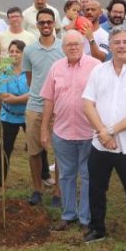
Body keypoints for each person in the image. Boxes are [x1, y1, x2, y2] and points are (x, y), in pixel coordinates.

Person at [81, 27, 126, 251]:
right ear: (110, 45)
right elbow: (87, 104)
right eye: (117, 42)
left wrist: (110, 131)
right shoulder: (98, 71)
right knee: (96, 188)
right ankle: (97, 228)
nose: (121, 46)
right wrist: (103, 133)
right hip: (100, 145)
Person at [41, 30, 100, 228]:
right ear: (63, 47)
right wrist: (44, 129)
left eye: (76, 43)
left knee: (87, 175)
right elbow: (48, 99)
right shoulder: (55, 68)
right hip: (62, 132)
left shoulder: (96, 67)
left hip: (89, 132)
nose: (73, 47)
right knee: (65, 175)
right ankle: (68, 214)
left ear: (82, 45)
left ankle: (85, 217)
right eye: (69, 44)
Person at [23, 10, 63, 206]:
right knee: (34, 151)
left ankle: (58, 192)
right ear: (37, 25)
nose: (46, 26)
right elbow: (30, 79)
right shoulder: (29, 50)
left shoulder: (64, 47)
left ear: (54, 24)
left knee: (61, 152)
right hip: (35, 107)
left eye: (49, 22)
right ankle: (37, 189)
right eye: (42, 23)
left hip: (60, 109)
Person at [0, 40, 28, 191]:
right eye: (11, 51)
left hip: (27, 115)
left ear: (23, 54)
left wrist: (15, 99)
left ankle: (44, 174)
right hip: (9, 116)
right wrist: (22, 98)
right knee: (5, 148)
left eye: (17, 51)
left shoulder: (30, 71)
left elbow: (34, 93)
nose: (14, 54)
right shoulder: (4, 71)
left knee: (36, 146)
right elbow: (2, 95)